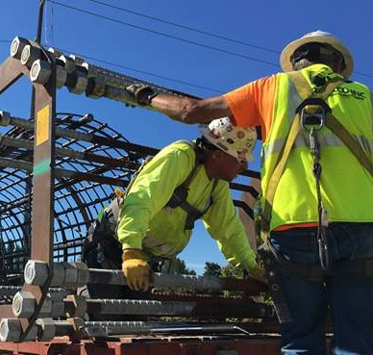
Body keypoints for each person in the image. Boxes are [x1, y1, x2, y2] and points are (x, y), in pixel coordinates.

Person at [126, 31, 373, 354]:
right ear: (338, 65)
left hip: (293, 231)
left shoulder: (273, 87)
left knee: (301, 340)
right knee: (358, 340)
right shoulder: (364, 95)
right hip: (361, 228)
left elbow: (190, 110)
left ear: (296, 65)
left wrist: (146, 96)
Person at [82, 117, 264, 299]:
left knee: (133, 323)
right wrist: (131, 252)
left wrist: (251, 266)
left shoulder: (217, 183)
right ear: (218, 155)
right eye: (240, 159)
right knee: (104, 316)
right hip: (111, 248)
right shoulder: (180, 157)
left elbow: (227, 228)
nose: (245, 166)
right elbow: (142, 198)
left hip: (144, 260)